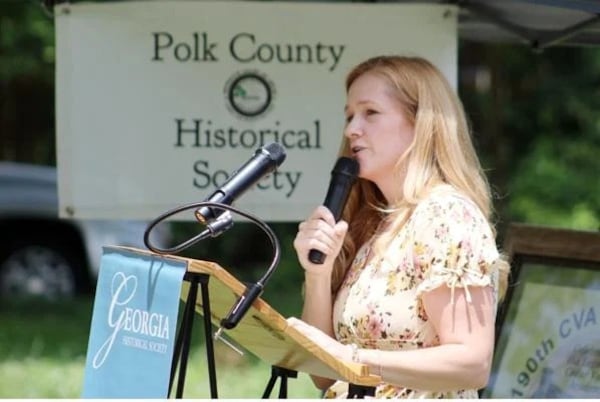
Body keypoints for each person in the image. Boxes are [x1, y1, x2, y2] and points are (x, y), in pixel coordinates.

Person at [288, 55, 510, 398]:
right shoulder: (373, 226)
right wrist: (318, 274)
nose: (351, 130)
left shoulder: (447, 217)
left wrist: (353, 358)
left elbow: (471, 363)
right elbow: (323, 376)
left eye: (370, 112)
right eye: (349, 116)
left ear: (421, 122)